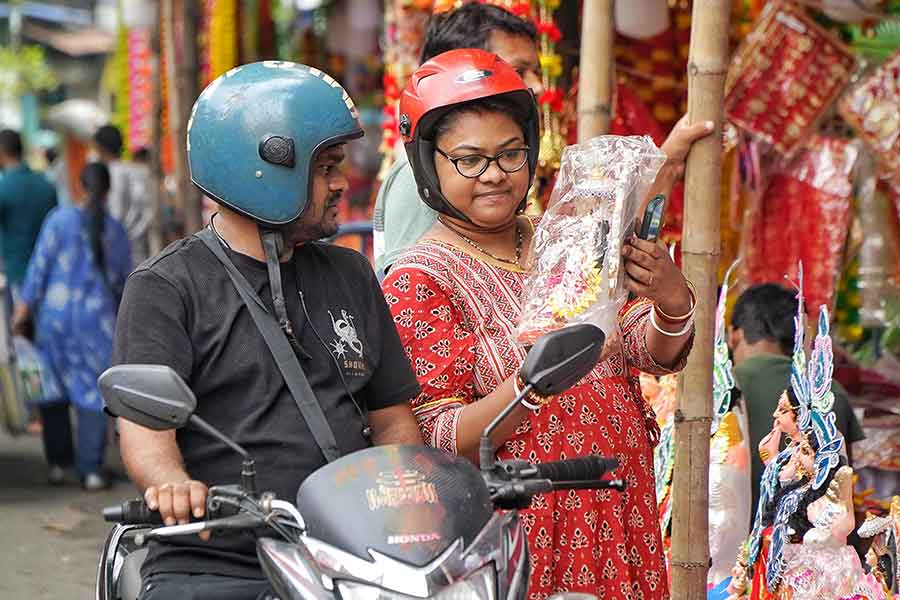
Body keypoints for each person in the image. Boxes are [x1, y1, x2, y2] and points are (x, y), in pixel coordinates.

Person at [383, 48, 703, 599]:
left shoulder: (564, 239)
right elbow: (434, 436)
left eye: (510, 155)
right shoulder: (417, 280)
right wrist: (529, 390)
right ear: (428, 166)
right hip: (526, 530)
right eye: (469, 160)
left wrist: (672, 300)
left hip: (616, 502)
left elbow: (643, 350)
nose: (495, 176)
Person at [112, 62, 423, 600]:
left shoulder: (350, 274)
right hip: (217, 560)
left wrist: (414, 501)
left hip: (349, 557)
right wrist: (173, 485)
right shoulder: (166, 286)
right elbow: (145, 435)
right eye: (324, 168)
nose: (340, 183)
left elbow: (393, 420)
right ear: (265, 168)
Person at [372, 2, 710, 278]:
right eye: (518, 71)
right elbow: (413, 295)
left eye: (536, 71)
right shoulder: (419, 179)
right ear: (467, 72)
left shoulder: (513, 161)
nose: (534, 86)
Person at [11, 162, 131, 489]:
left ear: (79, 186)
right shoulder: (115, 230)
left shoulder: (59, 220)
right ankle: (91, 470)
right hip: (98, 325)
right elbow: (124, 283)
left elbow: (38, 269)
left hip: (55, 320)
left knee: (52, 392)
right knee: (92, 396)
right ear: (108, 191)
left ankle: (58, 465)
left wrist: (21, 313)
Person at [728, 283, 864, 517]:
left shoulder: (720, 388)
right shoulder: (831, 391)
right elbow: (844, 486)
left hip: (730, 543)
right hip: (811, 545)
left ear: (735, 335)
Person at [0, 129, 57, 297]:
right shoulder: (46, 184)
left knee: (19, 322)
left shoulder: (4, 188)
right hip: (47, 273)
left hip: (18, 273)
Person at [93, 124, 153, 264]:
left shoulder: (110, 174)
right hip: (140, 247)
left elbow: (116, 213)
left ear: (100, 148)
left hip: (120, 250)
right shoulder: (139, 171)